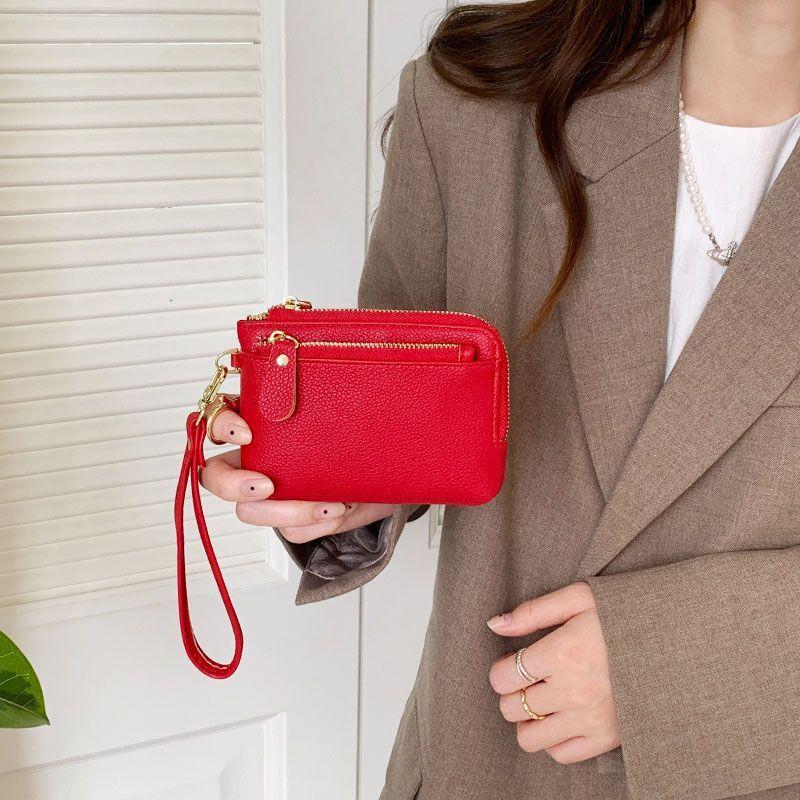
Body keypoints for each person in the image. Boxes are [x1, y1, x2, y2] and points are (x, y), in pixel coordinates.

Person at [199, 2, 800, 798]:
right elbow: (412, 415)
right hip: (484, 762)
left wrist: (672, 666)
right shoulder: (478, 102)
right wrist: (344, 484)